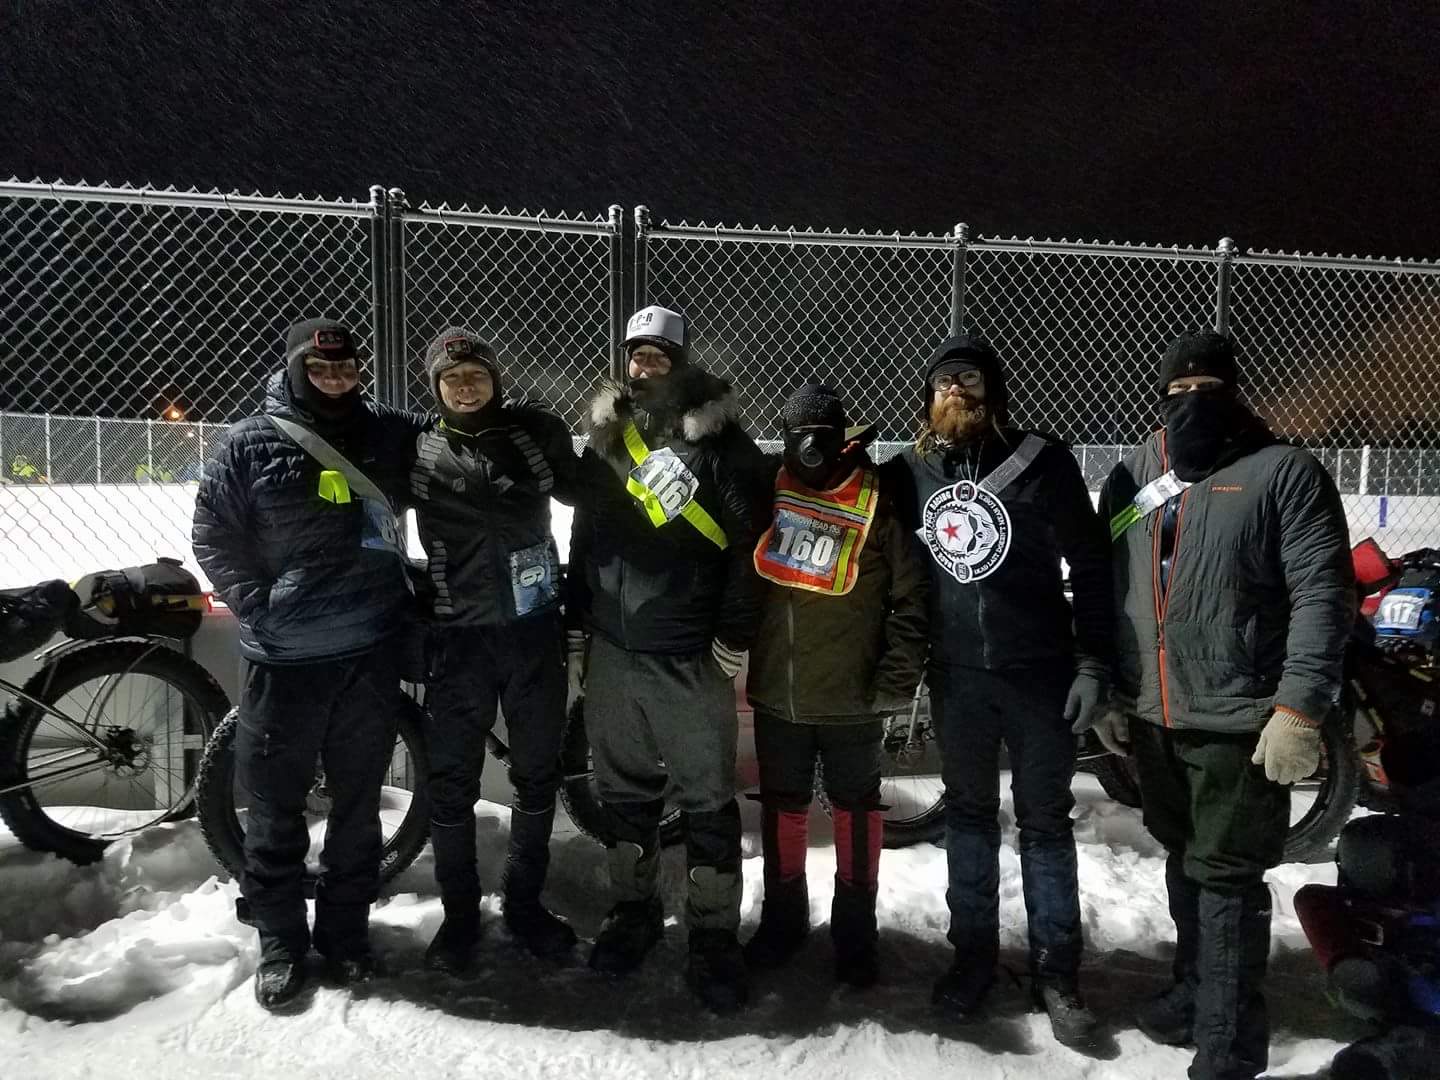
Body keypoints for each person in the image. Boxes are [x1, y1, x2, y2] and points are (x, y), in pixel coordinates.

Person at [1096, 329, 1353, 1079]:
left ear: (1236, 393)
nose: (1191, 404)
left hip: (1241, 721)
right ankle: (1194, 991)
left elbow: (1322, 595)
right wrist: (1113, 686)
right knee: (1185, 862)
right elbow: (1113, 586)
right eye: (1177, 392)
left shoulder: (1283, 472)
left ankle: (1228, 1047)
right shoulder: (1137, 473)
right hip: (1155, 716)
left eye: (1207, 390)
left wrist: (1299, 708)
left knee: (1228, 882)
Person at [885, 334, 1112, 1047]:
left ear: (995, 390)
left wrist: (1093, 663)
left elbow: (1093, 564)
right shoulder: (910, 471)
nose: (956, 390)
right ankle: (973, 959)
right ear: (927, 396)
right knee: (970, 821)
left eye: (971, 378)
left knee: (1045, 824)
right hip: (958, 678)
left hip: (1040, 675)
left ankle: (1058, 973)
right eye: (943, 380)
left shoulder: (1044, 461)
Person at [192, 318, 424, 1011]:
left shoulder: (385, 431)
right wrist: (258, 604)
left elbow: (459, 435)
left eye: (346, 369)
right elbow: (213, 533)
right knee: (274, 808)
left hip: (368, 652)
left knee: (359, 804)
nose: (335, 380)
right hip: (285, 661)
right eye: (319, 370)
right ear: (295, 370)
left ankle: (346, 934)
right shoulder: (249, 442)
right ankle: (281, 943)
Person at [566, 304, 768, 1013]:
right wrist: (578, 613)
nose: (645, 364)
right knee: (623, 795)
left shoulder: (721, 443)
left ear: (681, 361)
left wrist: (734, 634)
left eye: (658, 354)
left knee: (706, 798)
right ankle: (635, 911)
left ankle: (713, 933)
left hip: (688, 654)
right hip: (614, 650)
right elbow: (585, 530)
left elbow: (752, 545)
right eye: (636, 353)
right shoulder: (610, 437)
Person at [405, 327, 580, 973]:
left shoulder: (531, 434)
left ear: (495, 380)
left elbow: (587, 490)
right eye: (451, 379)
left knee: (537, 773)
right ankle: (459, 916)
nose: (465, 387)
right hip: (459, 639)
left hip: (533, 632)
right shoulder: (418, 446)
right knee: (451, 780)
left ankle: (524, 905)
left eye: (476, 375)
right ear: (436, 387)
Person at [742, 383, 928, 988]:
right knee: (782, 810)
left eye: (822, 436)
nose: (810, 450)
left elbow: (911, 598)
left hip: (854, 696)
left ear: (843, 438)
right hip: (780, 692)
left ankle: (856, 933)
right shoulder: (769, 486)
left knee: (856, 813)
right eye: (798, 437)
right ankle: (783, 921)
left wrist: (895, 677)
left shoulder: (877, 497)